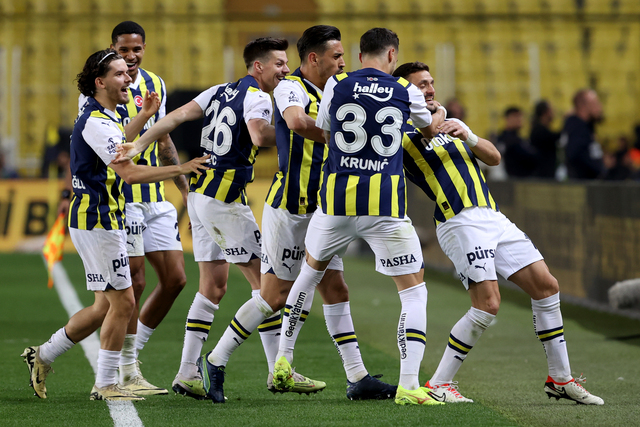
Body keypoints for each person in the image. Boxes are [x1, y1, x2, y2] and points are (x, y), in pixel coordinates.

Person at [394, 61, 604, 405]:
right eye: (421, 85)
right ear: (404, 91)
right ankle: (439, 384)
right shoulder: (400, 128)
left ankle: (560, 379)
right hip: (459, 220)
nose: (430, 89)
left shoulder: (449, 122)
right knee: (488, 304)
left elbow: (493, 157)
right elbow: (428, 131)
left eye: (431, 83)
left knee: (546, 286)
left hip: (492, 216)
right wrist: (441, 114)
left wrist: (468, 134)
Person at [116, 37, 306, 403]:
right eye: (280, 64)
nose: (286, 70)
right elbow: (258, 134)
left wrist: (139, 144)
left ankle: (187, 373)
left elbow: (174, 117)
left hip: (199, 196)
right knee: (269, 289)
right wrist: (297, 129)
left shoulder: (219, 91)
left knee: (212, 287)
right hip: (224, 202)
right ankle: (278, 370)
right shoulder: (257, 97)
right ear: (259, 67)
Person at [269, 28, 446, 407]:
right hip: (384, 206)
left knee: (308, 275)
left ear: (361, 54)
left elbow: (326, 132)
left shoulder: (337, 84)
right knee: (414, 292)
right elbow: (430, 131)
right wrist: (439, 113)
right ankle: (409, 385)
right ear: (392, 55)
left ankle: (283, 358)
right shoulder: (407, 91)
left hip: (335, 202)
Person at [21, 49, 208, 401]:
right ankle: (107, 383)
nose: (128, 78)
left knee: (104, 306)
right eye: (120, 74)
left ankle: (43, 354)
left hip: (100, 218)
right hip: (98, 220)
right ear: (100, 82)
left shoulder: (106, 116)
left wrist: (145, 116)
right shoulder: (95, 121)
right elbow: (129, 171)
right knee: (123, 303)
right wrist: (181, 168)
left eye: (128, 72)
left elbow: (121, 143)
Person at [261, 24, 396, 400]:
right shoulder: (291, 86)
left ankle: (358, 376)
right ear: (314, 58)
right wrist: (338, 137)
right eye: (337, 56)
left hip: (321, 210)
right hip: (290, 208)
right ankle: (216, 361)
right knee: (272, 297)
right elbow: (295, 122)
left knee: (336, 288)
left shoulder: (337, 90)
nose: (343, 62)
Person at [562, 89, 605, 179]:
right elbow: (576, 156)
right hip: (583, 184)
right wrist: (597, 169)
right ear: (583, 106)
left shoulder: (586, 126)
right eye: (595, 103)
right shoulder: (577, 129)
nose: (599, 106)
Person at [498, 106, 538, 178]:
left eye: (520, 116)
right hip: (510, 179)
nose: (520, 119)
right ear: (507, 118)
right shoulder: (506, 139)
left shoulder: (520, 139)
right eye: (516, 116)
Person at [530, 100, 560, 178]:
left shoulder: (540, 130)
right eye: (551, 110)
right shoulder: (539, 131)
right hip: (543, 174)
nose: (553, 113)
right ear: (545, 113)